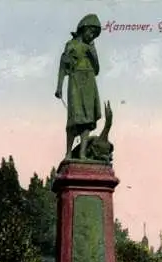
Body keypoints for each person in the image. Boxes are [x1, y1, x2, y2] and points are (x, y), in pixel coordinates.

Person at [55, 14, 102, 160]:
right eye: (90, 32)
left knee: (88, 120)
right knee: (74, 119)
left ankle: (82, 153)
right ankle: (68, 153)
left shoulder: (91, 47)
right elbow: (63, 65)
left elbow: (97, 70)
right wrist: (59, 87)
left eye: (94, 34)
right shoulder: (72, 45)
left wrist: (92, 53)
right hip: (75, 82)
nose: (92, 36)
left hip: (89, 83)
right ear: (83, 29)